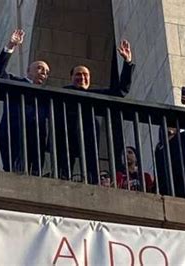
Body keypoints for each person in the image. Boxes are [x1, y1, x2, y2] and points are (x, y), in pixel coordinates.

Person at [56, 40, 135, 184]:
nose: (82, 78)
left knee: (91, 160)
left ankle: (92, 181)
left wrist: (128, 62)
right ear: (71, 78)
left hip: (89, 130)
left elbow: (120, 91)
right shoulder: (64, 92)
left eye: (86, 75)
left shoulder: (94, 95)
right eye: (78, 75)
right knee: (65, 160)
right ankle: (62, 179)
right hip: (66, 131)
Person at [0, 29, 50, 175]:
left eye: (46, 71)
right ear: (28, 71)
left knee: (34, 173)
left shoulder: (47, 95)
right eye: (40, 68)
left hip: (36, 138)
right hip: (13, 133)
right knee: (12, 171)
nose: (43, 72)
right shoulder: (15, 82)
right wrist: (11, 46)